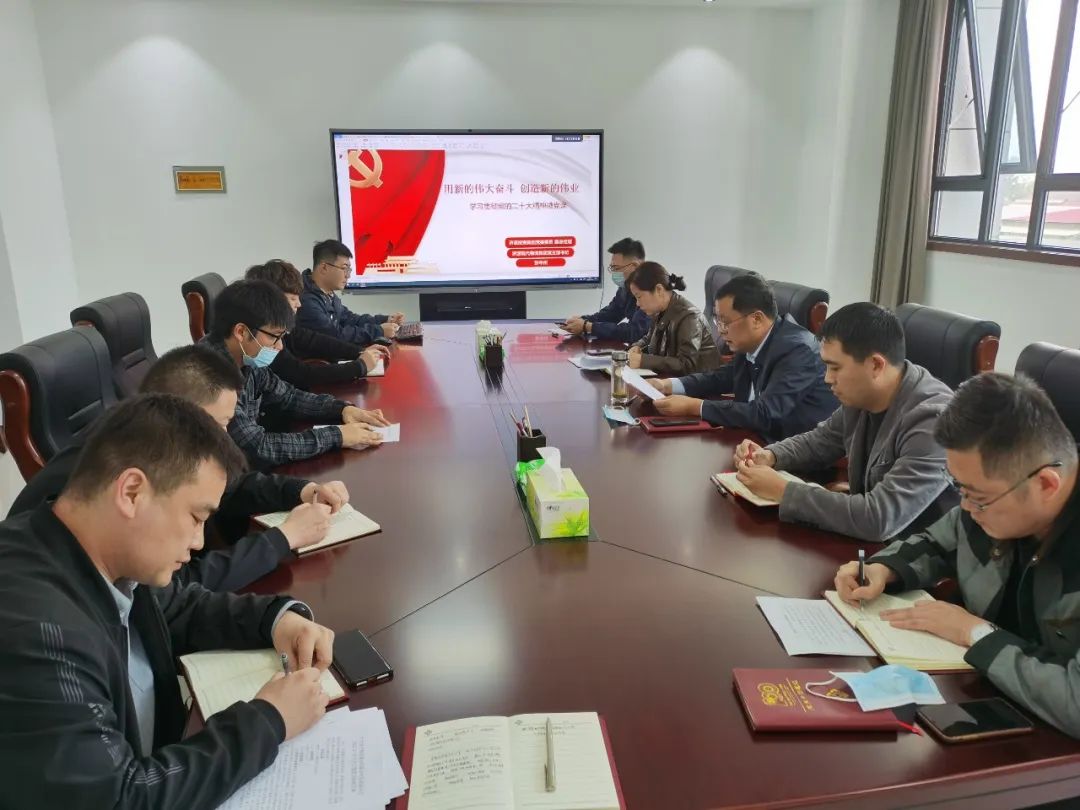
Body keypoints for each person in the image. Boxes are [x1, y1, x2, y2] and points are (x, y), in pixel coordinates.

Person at [0, 394, 336, 806]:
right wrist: (270, 721)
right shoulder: (38, 633)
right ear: (132, 492)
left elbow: (177, 608)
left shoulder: (96, 552)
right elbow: (121, 799)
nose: (199, 542)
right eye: (196, 518)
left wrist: (276, 619)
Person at [834, 372, 1080, 739]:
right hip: (985, 700)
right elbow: (936, 542)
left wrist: (974, 632)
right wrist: (883, 569)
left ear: (1045, 484)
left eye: (977, 497)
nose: (965, 507)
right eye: (959, 489)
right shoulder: (989, 501)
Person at [7, 345, 348, 591]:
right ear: (181, 414)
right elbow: (174, 589)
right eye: (219, 424)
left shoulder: (149, 439)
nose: (226, 438)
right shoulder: (102, 479)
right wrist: (284, 538)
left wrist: (301, 490)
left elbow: (231, 488)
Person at [734, 302, 956, 541]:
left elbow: (879, 518)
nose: (827, 379)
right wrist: (770, 455)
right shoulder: (862, 396)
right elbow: (820, 441)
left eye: (835, 368)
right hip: (869, 546)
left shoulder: (934, 421)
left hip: (916, 554)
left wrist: (783, 491)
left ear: (876, 365)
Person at [200, 279, 389, 468]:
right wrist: (336, 436)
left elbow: (288, 396)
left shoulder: (247, 357)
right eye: (275, 337)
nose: (280, 346)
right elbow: (258, 447)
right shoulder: (210, 377)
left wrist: (342, 409)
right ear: (241, 332)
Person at [652, 273, 836, 442]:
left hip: (791, 450)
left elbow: (766, 413)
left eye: (725, 322)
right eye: (718, 320)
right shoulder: (751, 341)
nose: (720, 330)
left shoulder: (798, 350)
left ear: (756, 319)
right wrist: (668, 385)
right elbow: (722, 377)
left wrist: (694, 407)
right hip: (752, 438)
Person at [245, 259, 388, 389]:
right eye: (293, 298)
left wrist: (358, 352)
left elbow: (312, 339)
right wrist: (359, 367)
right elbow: (301, 374)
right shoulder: (263, 338)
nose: (299, 304)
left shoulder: (280, 327)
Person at [297, 239, 406, 345]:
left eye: (349, 270)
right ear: (324, 268)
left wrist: (385, 320)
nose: (348, 275)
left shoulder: (327, 294)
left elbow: (351, 319)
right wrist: (378, 331)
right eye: (344, 268)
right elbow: (335, 336)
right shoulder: (306, 301)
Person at [627, 261, 719, 375]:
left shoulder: (690, 317)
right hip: (671, 379)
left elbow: (686, 364)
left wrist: (642, 360)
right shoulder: (659, 311)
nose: (637, 303)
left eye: (639, 297)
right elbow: (649, 339)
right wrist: (637, 347)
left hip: (701, 383)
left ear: (659, 290)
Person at [562, 237, 650, 343]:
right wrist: (583, 320)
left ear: (635, 266)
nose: (614, 273)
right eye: (612, 268)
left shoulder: (650, 289)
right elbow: (611, 314)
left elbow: (634, 332)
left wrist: (588, 327)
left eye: (616, 268)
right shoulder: (626, 287)